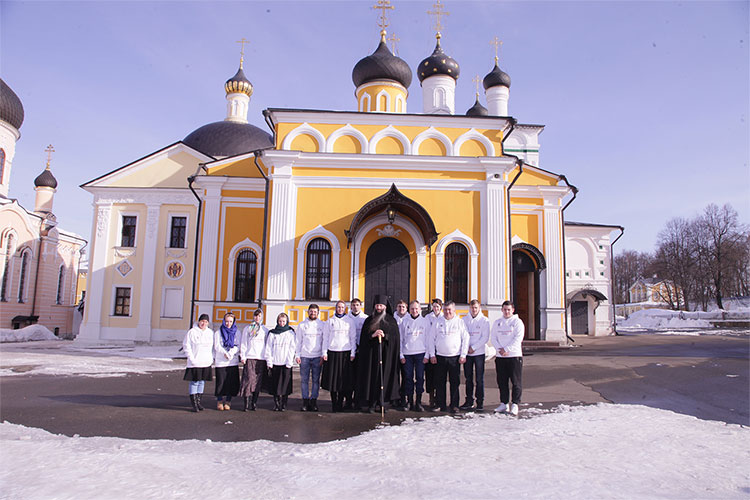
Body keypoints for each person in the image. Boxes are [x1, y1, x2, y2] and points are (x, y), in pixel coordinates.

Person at [355, 295, 401, 413]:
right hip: (371, 357)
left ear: (385, 307)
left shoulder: (391, 320)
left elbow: (395, 339)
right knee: (371, 379)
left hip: (386, 356)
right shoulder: (369, 320)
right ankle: (371, 403)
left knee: (384, 378)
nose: (379, 307)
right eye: (377, 305)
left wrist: (386, 336)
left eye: (381, 305)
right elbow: (363, 339)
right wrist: (372, 335)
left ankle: (382, 403)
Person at [427, 301, 469, 413]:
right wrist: (432, 354)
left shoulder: (460, 322)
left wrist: (463, 354)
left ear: (454, 310)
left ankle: (454, 405)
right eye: (445, 310)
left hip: (454, 357)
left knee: (455, 382)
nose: (447, 312)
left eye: (449, 309)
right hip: (440, 356)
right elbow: (431, 339)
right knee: (440, 382)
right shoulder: (437, 322)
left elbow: (465, 339)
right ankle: (441, 404)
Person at [321, 300, 357, 412]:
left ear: (345, 309)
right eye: (338, 307)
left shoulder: (349, 321)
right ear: (336, 308)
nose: (340, 309)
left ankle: (341, 402)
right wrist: (324, 352)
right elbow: (325, 338)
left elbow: (353, 338)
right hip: (332, 353)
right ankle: (334, 403)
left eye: (342, 307)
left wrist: (352, 352)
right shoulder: (330, 321)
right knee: (333, 380)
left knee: (343, 381)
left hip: (345, 353)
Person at [490, 300, 525, 416]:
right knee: (502, 381)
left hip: (514, 356)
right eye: (504, 309)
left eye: (508, 310)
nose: (506, 312)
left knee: (516, 381)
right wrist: (500, 349)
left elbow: (518, 338)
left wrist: (507, 349)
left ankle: (515, 404)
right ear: (502, 310)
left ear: (513, 310)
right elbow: (493, 337)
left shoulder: (517, 322)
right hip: (500, 357)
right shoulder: (497, 323)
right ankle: (504, 403)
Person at [399, 300, 430, 411]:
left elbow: (428, 339)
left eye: (416, 308)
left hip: (421, 354)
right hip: (407, 354)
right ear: (409, 310)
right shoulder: (404, 322)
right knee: (408, 378)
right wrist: (401, 355)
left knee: (420, 378)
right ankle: (409, 401)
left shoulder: (425, 322)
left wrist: (427, 355)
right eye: (412, 308)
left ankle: (418, 402)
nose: (414, 310)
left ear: (420, 309)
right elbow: (401, 340)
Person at [460, 299, 490, 411]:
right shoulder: (464, 320)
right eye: (472, 308)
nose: (474, 310)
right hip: (467, 354)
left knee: (479, 378)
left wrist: (474, 347)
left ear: (479, 308)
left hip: (479, 353)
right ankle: (469, 401)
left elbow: (485, 337)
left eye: (476, 308)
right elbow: (462, 335)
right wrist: (466, 348)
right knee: (468, 379)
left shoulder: (484, 321)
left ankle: (480, 401)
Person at [295, 304, 324, 412]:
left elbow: (324, 341)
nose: (313, 313)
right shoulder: (302, 325)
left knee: (316, 381)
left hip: (317, 356)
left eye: (315, 312)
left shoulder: (322, 325)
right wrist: (297, 355)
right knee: (304, 380)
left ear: (318, 313)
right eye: (311, 311)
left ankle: (314, 401)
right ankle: (305, 402)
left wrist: (322, 355)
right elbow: (298, 341)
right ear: (308, 312)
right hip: (305, 356)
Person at [265, 313, 296, 411]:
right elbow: (268, 348)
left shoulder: (290, 333)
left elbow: (292, 347)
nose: (282, 323)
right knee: (275, 384)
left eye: (284, 321)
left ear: (287, 322)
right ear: (277, 321)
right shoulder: (272, 333)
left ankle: (284, 403)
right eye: (280, 321)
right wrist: (269, 361)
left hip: (286, 362)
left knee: (285, 384)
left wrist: (289, 361)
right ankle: (276, 403)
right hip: (275, 362)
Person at [182, 313, 214, 412]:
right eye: (202, 321)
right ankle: (194, 403)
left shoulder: (210, 333)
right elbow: (186, 346)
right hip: (195, 361)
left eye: (206, 322)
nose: (203, 323)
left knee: (202, 382)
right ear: (198, 321)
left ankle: (199, 401)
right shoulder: (192, 332)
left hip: (206, 361)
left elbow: (213, 348)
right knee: (195, 382)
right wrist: (192, 359)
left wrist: (211, 358)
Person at [239, 309, 268, 411]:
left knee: (257, 382)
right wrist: (243, 355)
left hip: (260, 358)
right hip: (250, 357)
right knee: (248, 380)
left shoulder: (265, 330)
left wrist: (267, 358)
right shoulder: (248, 328)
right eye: (255, 316)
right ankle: (246, 402)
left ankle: (254, 402)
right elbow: (244, 342)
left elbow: (266, 345)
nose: (257, 318)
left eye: (259, 316)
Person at [214, 312, 241, 410]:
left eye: (230, 321)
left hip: (232, 361)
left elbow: (238, 345)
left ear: (233, 322)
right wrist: (224, 353)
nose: (228, 324)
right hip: (221, 360)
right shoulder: (218, 332)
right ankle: (220, 400)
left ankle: (228, 401)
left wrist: (231, 353)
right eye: (226, 321)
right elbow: (217, 345)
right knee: (221, 382)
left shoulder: (237, 332)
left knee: (230, 382)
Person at [346, 298, 367, 411]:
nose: (355, 307)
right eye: (353, 305)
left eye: (357, 305)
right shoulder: (346, 318)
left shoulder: (365, 318)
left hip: (360, 351)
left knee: (360, 377)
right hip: (348, 351)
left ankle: (359, 400)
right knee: (349, 377)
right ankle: (348, 400)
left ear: (361, 306)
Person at [423, 298, 443, 408]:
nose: (435, 309)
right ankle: (431, 397)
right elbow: (426, 334)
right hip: (429, 349)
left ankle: (438, 398)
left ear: (441, 307)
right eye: (434, 306)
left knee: (439, 376)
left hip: (440, 351)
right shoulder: (427, 318)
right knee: (430, 375)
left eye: (437, 307)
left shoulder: (443, 318)